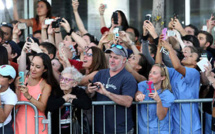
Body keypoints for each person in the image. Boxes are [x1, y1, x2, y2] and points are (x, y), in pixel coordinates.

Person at [87, 44, 137, 134]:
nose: (112, 60)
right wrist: (90, 91)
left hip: (121, 130)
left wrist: (106, 93)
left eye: (116, 58)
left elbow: (127, 101)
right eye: (110, 57)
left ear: (124, 60)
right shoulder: (100, 74)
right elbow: (91, 95)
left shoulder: (128, 78)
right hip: (100, 128)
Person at [155, 37, 201, 134]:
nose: (187, 55)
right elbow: (158, 67)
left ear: (196, 63)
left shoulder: (194, 73)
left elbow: (177, 66)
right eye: (186, 53)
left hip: (190, 123)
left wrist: (169, 48)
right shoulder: (175, 73)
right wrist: (159, 47)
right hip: (175, 120)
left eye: (191, 56)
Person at [15, 51, 58, 134]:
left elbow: (42, 107)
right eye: (32, 65)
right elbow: (16, 106)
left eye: (37, 67)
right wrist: (17, 88)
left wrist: (28, 96)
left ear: (45, 69)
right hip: (20, 122)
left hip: (37, 124)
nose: (33, 69)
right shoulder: (22, 79)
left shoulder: (46, 84)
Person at [46, 66, 92, 134]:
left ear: (74, 83)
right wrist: (65, 98)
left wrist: (72, 101)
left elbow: (87, 104)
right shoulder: (56, 91)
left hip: (75, 130)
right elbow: (49, 106)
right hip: (56, 130)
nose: (62, 82)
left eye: (66, 80)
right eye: (61, 79)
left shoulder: (78, 91)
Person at [135, 63, 175, 133]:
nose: (150, 75)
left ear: (162, 77)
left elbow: (161, 117)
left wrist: (158, 101)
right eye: (150, 72)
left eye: (154, 73)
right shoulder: (143, 84)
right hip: (144, 131)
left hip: (161, 131)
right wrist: (138, 96)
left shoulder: (167, 94)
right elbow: (138, 93)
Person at [0, 65, 18, 134]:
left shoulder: (11, 96)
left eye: (2, 76)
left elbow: (2, 119)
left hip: (3, 129)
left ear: (10, 81)